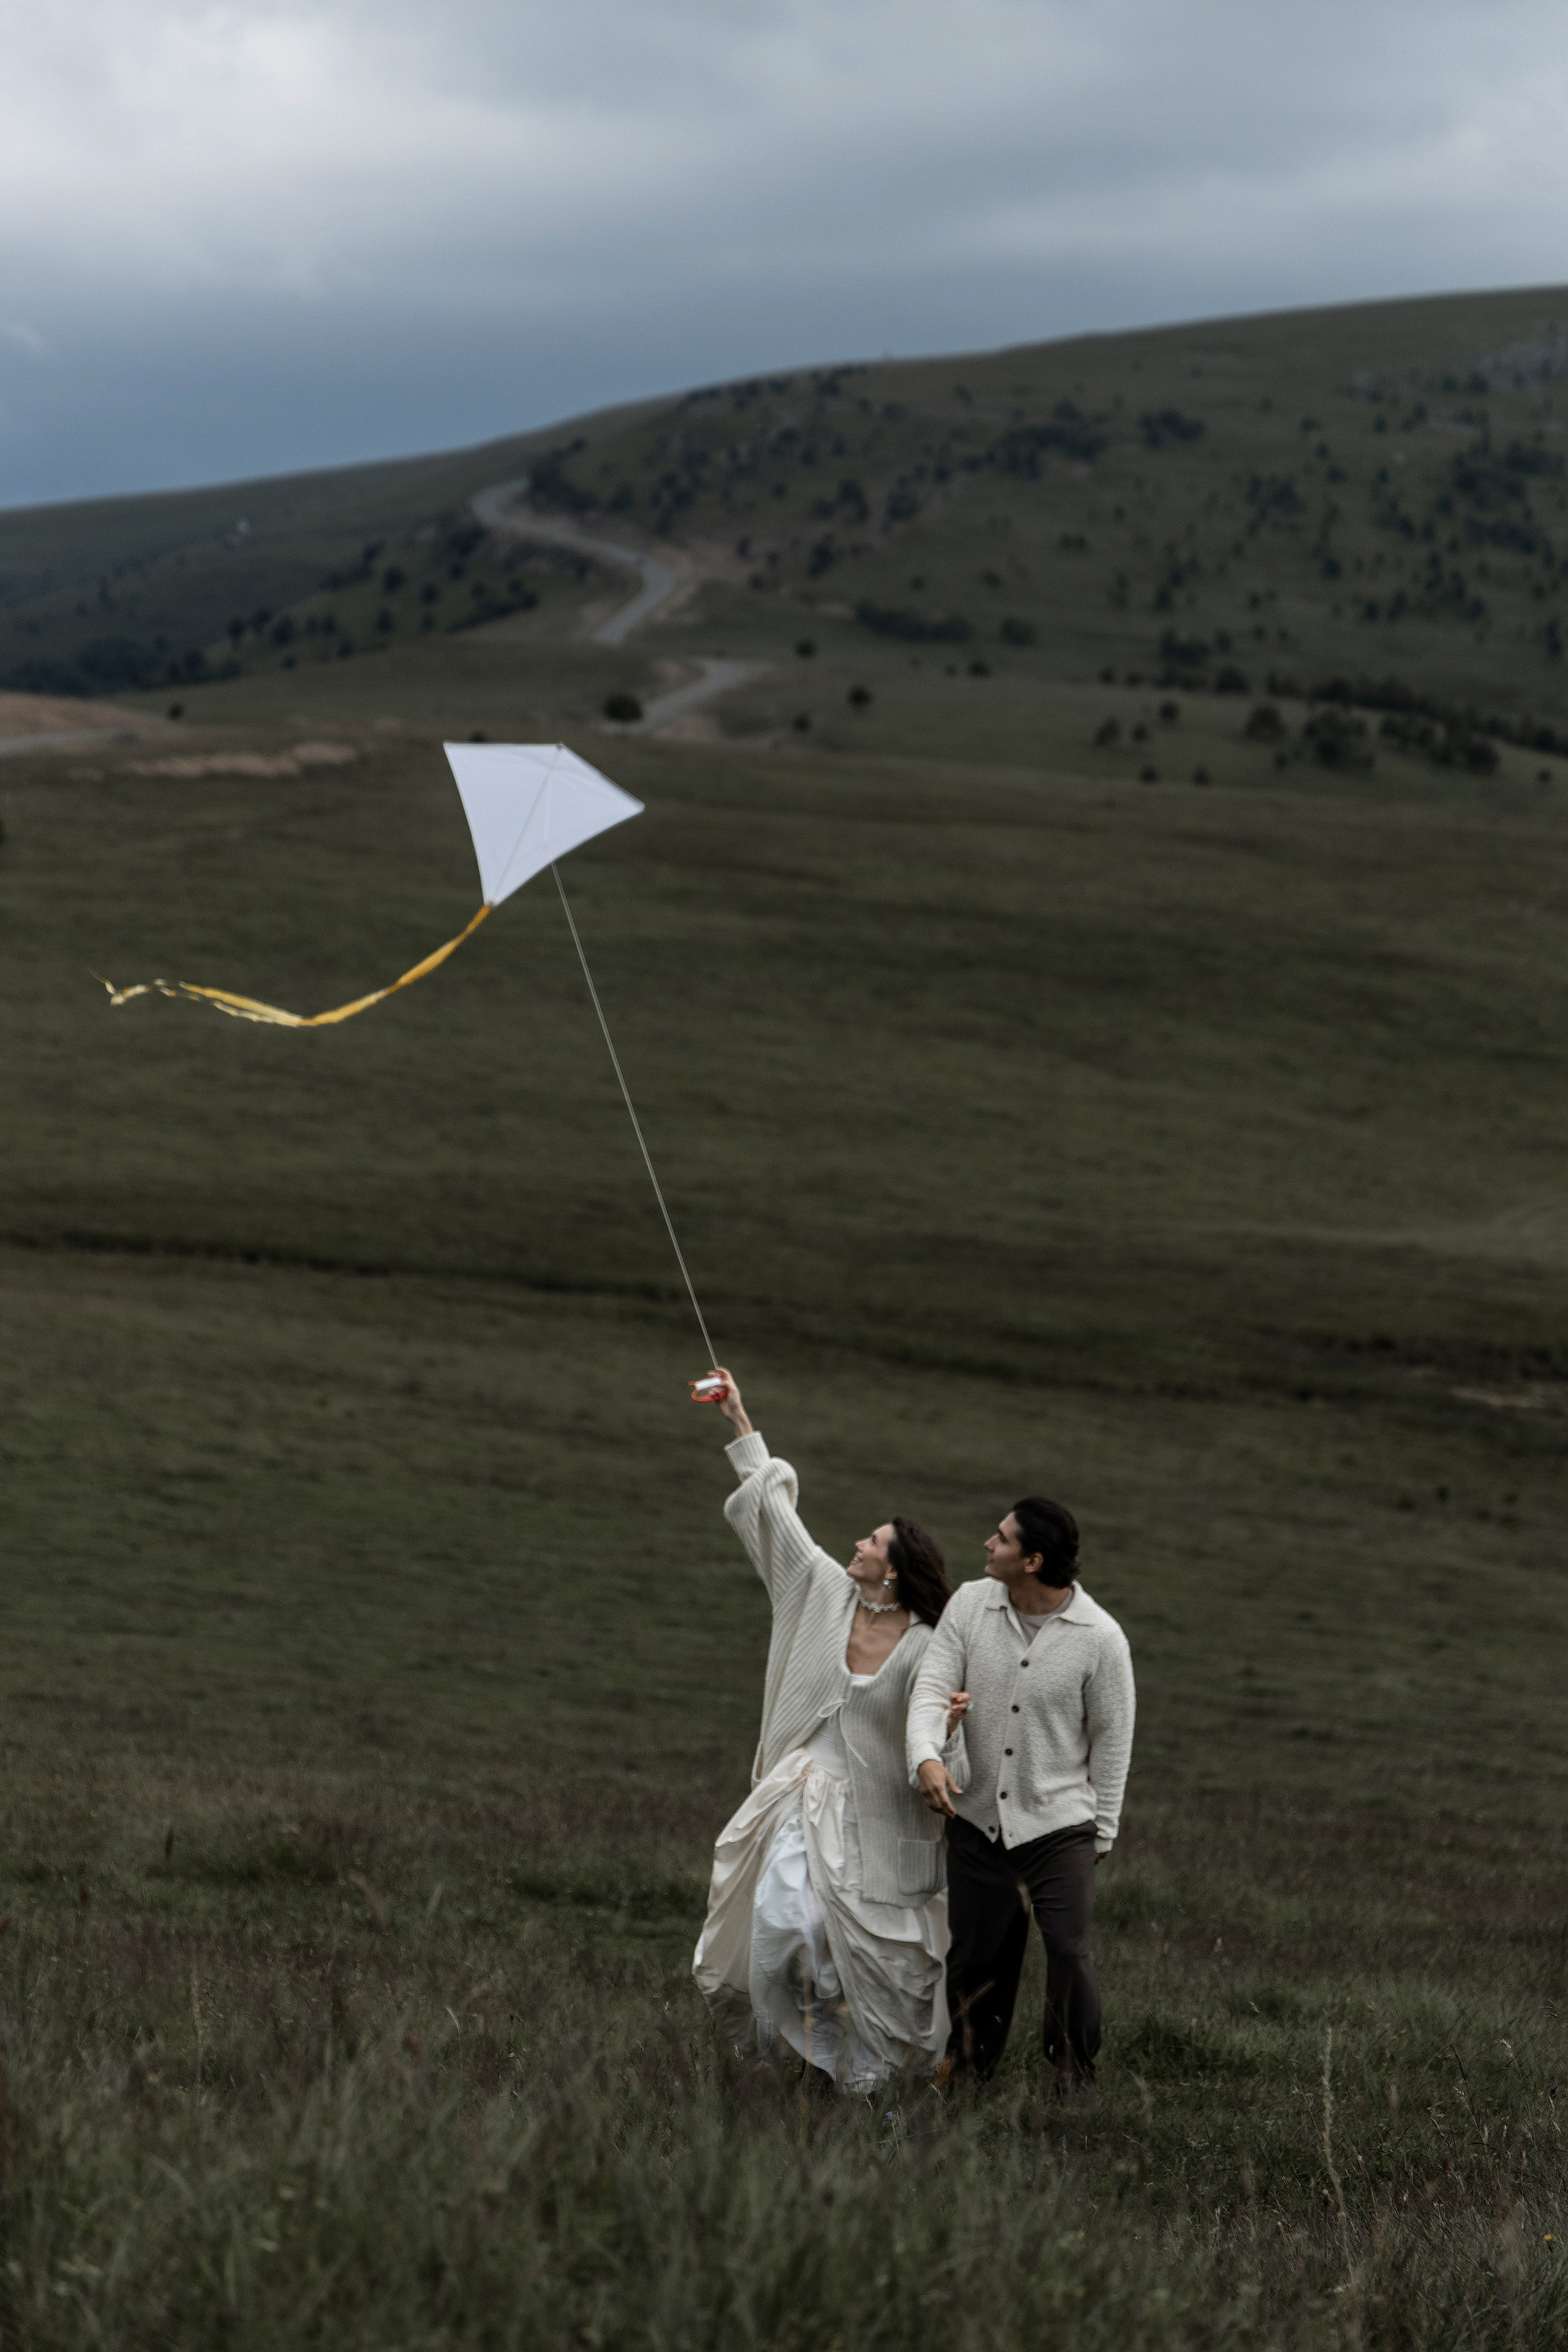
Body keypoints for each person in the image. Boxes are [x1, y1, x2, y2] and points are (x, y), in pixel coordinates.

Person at [691, 1369, 968, 2092]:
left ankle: (867, 2082)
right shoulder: (819, 1588)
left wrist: (953, 1729)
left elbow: (938, 1749)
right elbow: (775, 1518)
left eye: (872, 1541)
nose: (858, 1543)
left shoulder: (930, 1643)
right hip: (797, 1801)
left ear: (897, 1568)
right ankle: (802, 2056)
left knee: (877, 1960)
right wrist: (740, 1420)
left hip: (874, 1821)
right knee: (785, 1936)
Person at [907, 1495, 1134, 2096]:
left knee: (1068, 1950)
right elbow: (932, 1686)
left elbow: (1111, 1742)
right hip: (978, 1819)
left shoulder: (1101, 1639)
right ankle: (967, 2073)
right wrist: (927, 1756)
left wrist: (1102, 1831)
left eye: (1001, 1539)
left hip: (1060, 1825)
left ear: (1032, 1560)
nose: (988, 1543)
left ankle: (1073, 2076)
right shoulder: (970, 1605)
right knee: (978, 1960)